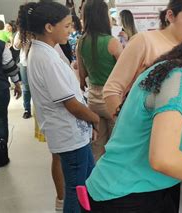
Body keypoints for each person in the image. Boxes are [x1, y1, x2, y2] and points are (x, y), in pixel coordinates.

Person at [84, 21, 182, 211]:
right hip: (124, 196)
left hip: (143, 189)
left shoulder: (172, 73)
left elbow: (174, 154)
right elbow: (163, 158)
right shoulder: (177, 79)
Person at [17, 1, 100, 212]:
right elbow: (70, 103)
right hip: (68, 135)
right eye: (66, 26)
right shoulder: (46, 58)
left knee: (85, 182)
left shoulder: (44, 52)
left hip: (73, 133)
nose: (70, 30)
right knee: (76, 188)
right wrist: (94, 118)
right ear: (49, 27)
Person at [103, 0, 182, 118]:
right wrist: (127, 126)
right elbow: (112, 90)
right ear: (171, 16)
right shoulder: (144, 41)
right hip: (142, 127)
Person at [77, 0, 123, 162]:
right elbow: (125, 72)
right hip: (112, 99)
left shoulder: (81, 42)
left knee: (97, 144)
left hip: (93, 98)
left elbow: (82, 77)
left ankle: (95, 181)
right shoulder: (112, 42)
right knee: (116, 143)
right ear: (104, 17)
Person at [0, 38, 21, 168]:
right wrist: (17, 84)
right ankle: (0, 157)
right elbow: (10, 67)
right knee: (0, 121)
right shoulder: (0, 45)